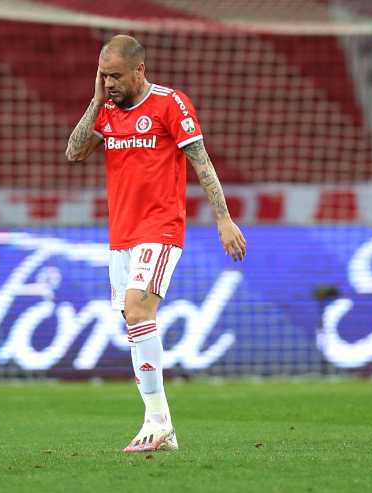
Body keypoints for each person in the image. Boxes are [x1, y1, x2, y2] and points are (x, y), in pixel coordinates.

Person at [66, 35, 246, 453]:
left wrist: (223, 218)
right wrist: (96, 100)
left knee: (137, 309)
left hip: (161, 228)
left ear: (139, 70)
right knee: (133, 321)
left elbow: (201, 161)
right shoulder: (107, 113)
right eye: (103, 75)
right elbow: (74, 152)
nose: (109, 83)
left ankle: (158, 421)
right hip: (121, 236)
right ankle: (161, 426)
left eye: (114, 76)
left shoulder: (170, 104)